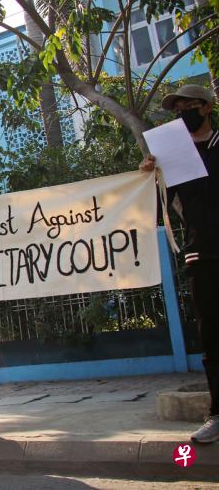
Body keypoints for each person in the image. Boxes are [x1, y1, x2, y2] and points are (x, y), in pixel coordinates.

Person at [140, 84, 218, 443]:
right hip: (200, 254)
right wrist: (150, 178)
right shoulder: (171, 157)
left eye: (189, 106)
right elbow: (159, 210)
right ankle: (217, 414)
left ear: (205, 108)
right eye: (177, 109)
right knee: (212, 338)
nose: (183, 113)